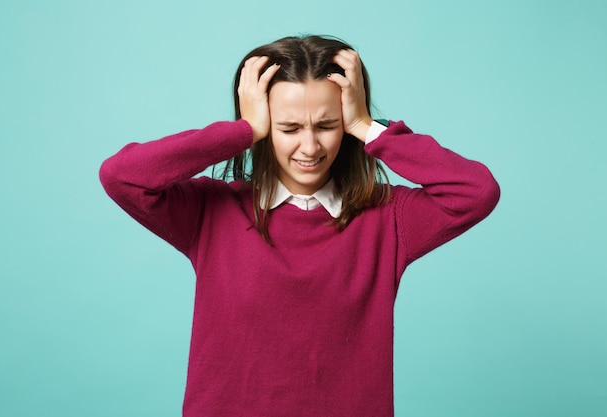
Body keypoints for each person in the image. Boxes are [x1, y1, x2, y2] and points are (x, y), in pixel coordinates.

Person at [100, 35, 500, 417]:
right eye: (288, 128)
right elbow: (121, 176)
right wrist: (241, 131)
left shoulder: (387, 216)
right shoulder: (210, 211)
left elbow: (477, 191)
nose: (310, 148)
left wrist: (368, 127)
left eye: (326, 126)